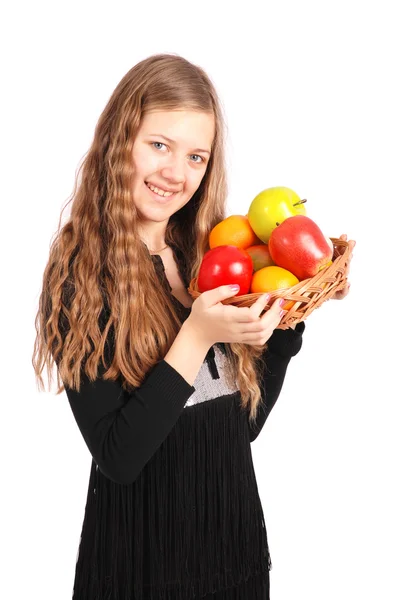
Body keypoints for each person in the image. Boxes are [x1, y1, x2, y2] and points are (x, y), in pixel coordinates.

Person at [32, 53, 354, 599]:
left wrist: (285, 324)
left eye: (196, 156)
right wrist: (196, 335)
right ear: (119, 140)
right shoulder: (80, 275)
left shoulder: (208, 254)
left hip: (235, 559)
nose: (176, 174)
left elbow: (236, 428)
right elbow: (118, 457)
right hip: (140, 569)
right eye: (159, 145)